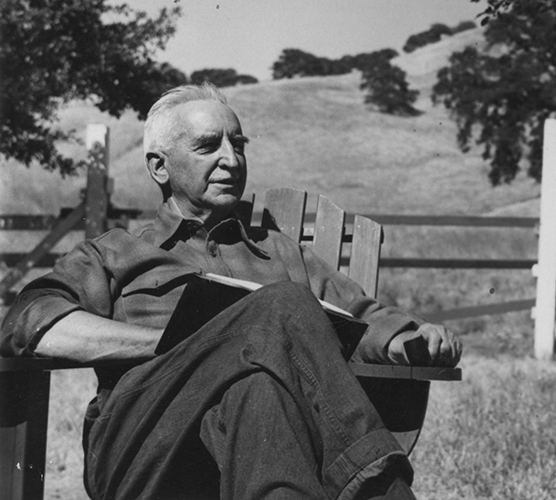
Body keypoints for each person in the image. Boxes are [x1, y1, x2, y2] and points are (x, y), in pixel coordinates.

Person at [0, 83, 462, 500]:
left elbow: (362, 317)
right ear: (160, 167)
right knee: (281, 305)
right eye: (208, 146)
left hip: (262, 439)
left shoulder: (282, 254)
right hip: (144, 449)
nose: (232, 159)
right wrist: (187, 344)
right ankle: (384, 489)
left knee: (257, 389)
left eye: (238, 145)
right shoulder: (117, 253)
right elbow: (29, 320)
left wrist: (407, 339)